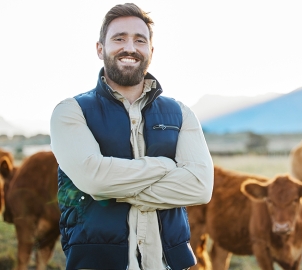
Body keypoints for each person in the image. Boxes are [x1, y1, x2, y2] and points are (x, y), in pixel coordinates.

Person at [49, 3, 214, 270]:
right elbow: (94, 179)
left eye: (140, 40)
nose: (130, 47)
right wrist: (165, 166)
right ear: (100, 48)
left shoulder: (181, 113)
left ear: (151, 51)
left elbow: (200, 186)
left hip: (169, 263)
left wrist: (111, 188)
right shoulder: (71, 111)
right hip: (97, 262)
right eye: (119, 38)